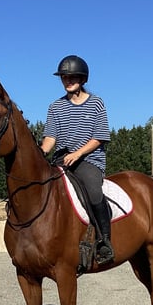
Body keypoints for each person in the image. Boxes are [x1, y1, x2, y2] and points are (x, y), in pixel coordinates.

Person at [40, 55, 114, 264]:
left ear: (82, 79)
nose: (67, 80)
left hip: (89, 160)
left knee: (92, 190)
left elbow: (99, 136)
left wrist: (78, 153)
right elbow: (50, 138)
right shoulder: (55, 107)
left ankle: (104, 241)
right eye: (64, 77)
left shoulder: (96, 103)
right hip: (62, 159)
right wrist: (41, 152)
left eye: (72, 77)